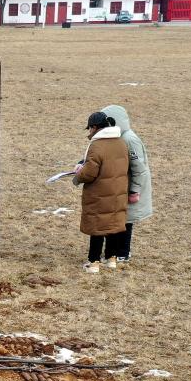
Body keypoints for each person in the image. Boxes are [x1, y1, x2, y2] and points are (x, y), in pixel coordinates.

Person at [73, 112, 129, 273]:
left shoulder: (97, 146)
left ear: (95, 127)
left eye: (89, 128)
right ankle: (111, 259)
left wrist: (78, 175)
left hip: (100, 193)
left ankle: (93, 262)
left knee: (97, 227)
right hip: (118, 192)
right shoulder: (121, 142)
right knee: (113, 224)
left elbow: (90, 173)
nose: (89, 131)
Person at [101, 105, 152, 264]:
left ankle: (123, 252)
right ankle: (115, 252)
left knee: (126, 220)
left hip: (130, 189)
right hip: (122, 187)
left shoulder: (129, 139)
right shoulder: (117, 138)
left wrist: (134, 190)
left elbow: (139, 169)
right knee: (119, 219)